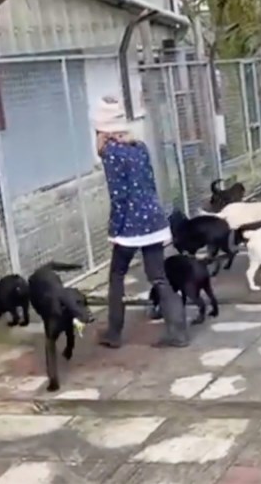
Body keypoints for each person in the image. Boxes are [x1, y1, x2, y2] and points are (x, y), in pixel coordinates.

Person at [93, 95, 189, 349]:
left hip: (131, 224)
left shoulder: (112, 153)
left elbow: (119, 195)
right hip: (153, 218)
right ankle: (178, 331)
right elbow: (149, 183)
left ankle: (114, 333)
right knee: (158, 277)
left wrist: (115, 228)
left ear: (102, 130)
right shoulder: (139, 146)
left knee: (116, 275)